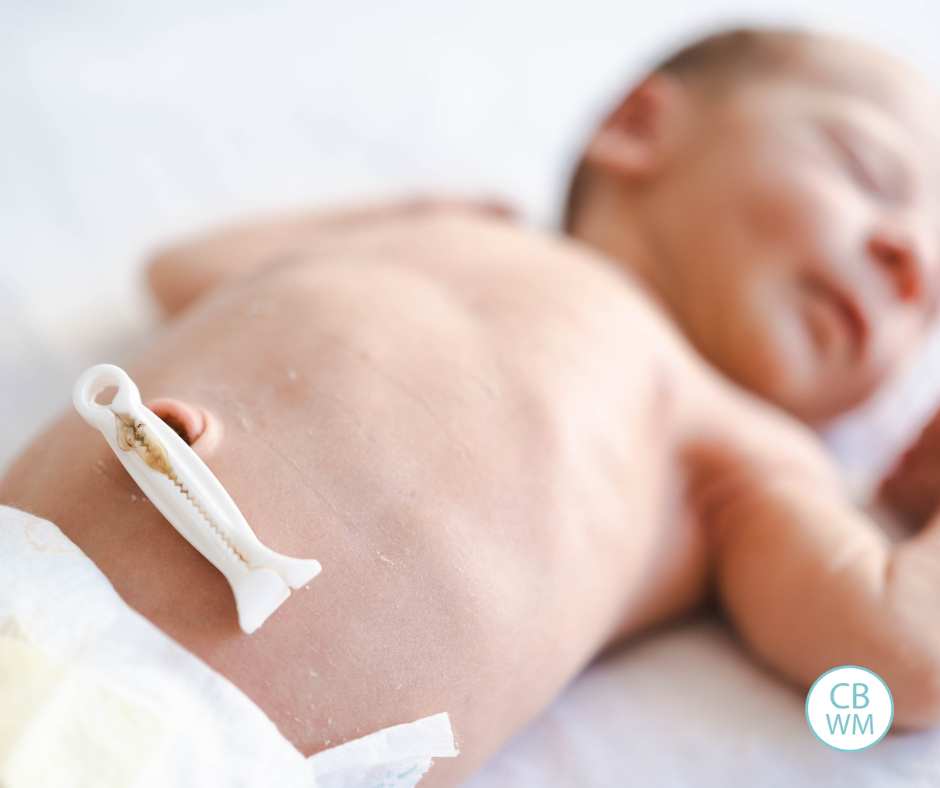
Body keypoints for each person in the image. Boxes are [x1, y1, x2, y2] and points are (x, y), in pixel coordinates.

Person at [3, 26, 940, 787]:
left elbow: (901, 648)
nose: (910, 261)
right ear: (642, 124)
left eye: (931, 304)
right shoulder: (444, 233)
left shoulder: (740, 444)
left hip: (212, 749)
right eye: (870, 172)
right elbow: (184, 273)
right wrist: (403, 213)